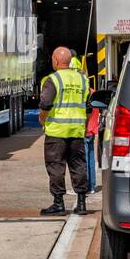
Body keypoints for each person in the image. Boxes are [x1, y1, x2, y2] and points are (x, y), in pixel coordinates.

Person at [38, 46, 89, 216]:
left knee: (56, 166)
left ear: (56, 61)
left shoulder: (53, 80)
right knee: (78, 165)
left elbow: (45, 104)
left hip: (57, 132)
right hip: (76, 131)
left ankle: (58, 203)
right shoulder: (82, 80)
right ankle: (82, 203)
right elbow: (88, 106)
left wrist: (42, 119)